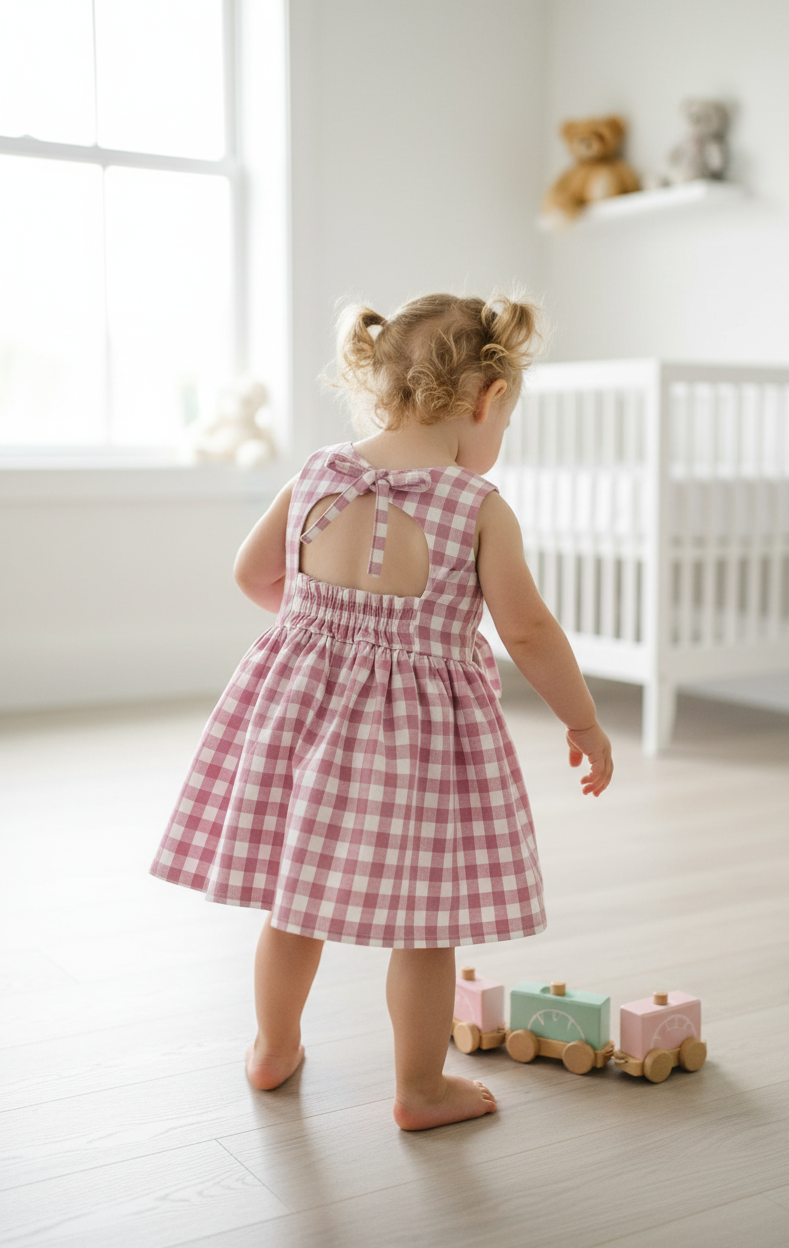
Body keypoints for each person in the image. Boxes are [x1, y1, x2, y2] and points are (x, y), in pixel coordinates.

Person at [150, 292, 613, 1131]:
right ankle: (421, 1090)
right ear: (488, 399)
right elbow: (529, 629)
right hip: (418, 748)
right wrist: (581, 720)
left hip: (305, 724)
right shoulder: (477, 508)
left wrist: (321, 635)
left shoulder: (320, 473)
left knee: (294, 905)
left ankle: (272, 1049)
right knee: (426, 922)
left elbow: (253, 576)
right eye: (504, 422)